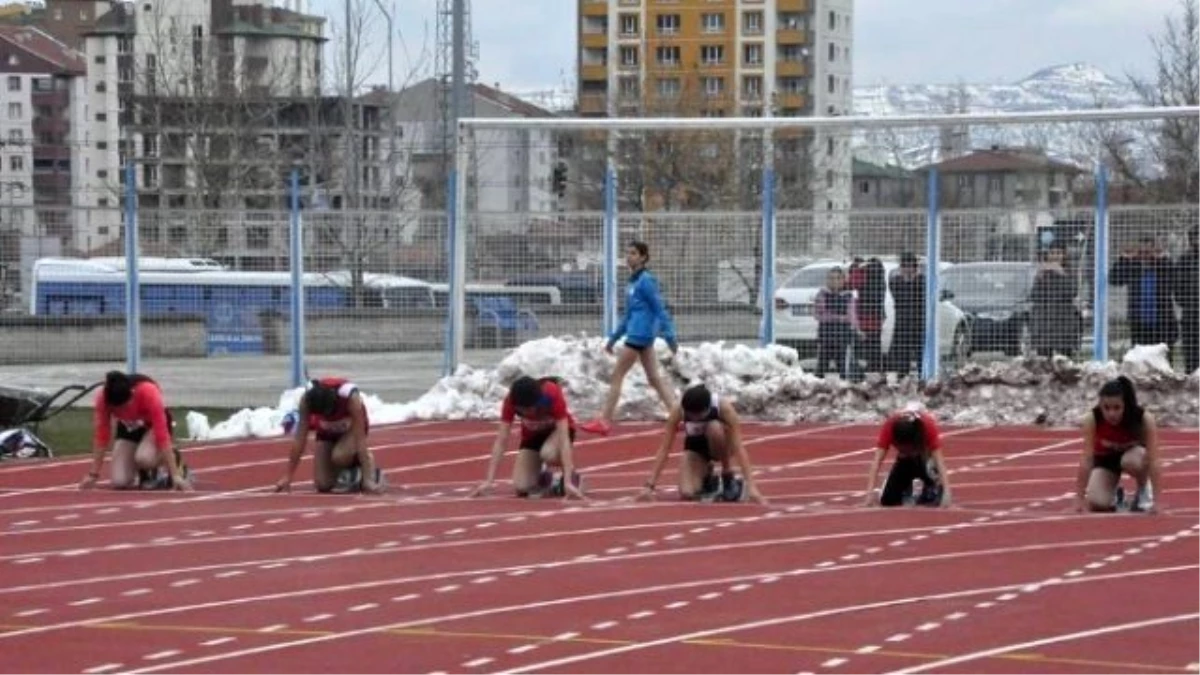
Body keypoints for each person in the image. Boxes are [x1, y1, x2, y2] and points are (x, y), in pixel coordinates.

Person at [580, 241, 679, 436]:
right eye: (628, 253)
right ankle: (677, 415)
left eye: (633, 253)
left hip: (638, 336)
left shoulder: (646, 281)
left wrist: (669, 336)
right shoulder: (632, 283)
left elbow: (659, 309)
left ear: (643, 257)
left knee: (617, 375)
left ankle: (604, 421)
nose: (629, 257)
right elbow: (628, 315)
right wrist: (613, 338)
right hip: (639, 334)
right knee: (654, 379)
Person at [638, 384, 766, 504]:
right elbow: (665, 448)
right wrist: (649, 486)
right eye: (690, 415)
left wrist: (752, 487)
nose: (694, 419)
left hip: (722, 445)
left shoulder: (723, 407)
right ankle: (709, 479)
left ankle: (728, 477)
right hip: (697, 448)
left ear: (708, 408)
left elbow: (738, 446)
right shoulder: (678, 410)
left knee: (714, 428)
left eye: (698, 415)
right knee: (687, 493)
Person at [472, 376, 586, 500]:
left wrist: (568, 480)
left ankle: (571, 477)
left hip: (557, 433)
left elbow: (564, 439)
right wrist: (489, 480)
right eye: (522, 410)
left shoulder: (551, 394)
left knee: (548, 453)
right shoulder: (510, 402)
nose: (527, 413)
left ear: (538, 401)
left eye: (529, 408)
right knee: (522, 486)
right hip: (533, 437)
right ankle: (545, 478)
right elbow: (501, 441)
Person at [81, 371, 191, 491]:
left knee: (144, 458)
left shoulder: (149, 392)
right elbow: (102, 436)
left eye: (125, 406)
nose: (123, 411)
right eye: (117, 409)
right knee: (120, 481)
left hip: (153, 426)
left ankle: (174, 459)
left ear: (132, 393)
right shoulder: (102, 399)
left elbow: (162, 435)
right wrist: (93, 474)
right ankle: (143, 470)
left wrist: (175, 475)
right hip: (129, 427)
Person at [274, 378, 384, 494]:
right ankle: (351, 473)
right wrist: (288, 476)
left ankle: (366, 468)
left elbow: (360, 438)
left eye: (329, 412)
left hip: (351, 430)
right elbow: (300, 439)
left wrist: (368, 480)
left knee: (340, 455)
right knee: (323, 484)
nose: (328, 416)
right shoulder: (306, 401)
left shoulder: (350, 398)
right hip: (326, 432)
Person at [1076, 376, 1162, 513]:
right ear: (1100, 405)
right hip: (1106, 460)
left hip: (1134, 457)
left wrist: (1158, 502)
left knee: (1130, 461)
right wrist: (1079, 499)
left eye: (1117, 408)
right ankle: (1116, 495)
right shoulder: (1092, 419)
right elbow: (1087, 458)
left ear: (1125, 406)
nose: (1112, 413)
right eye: (1106, 408)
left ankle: (1143, 491)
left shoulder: (1143, 419)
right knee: (1097, 502)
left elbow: (1154, 459)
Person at [863, 407, 952, 508]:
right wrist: (869, 494)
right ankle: (907, 487)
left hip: (925, 458)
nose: (907, 452)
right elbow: (876, 462)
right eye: (902, 449)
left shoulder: (928, 427)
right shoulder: (889, 428)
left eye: (908, 450)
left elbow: (940, 462)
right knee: (888, 500)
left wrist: (947, 491)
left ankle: (931, 485)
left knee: (934, 498)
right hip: (903, 462)